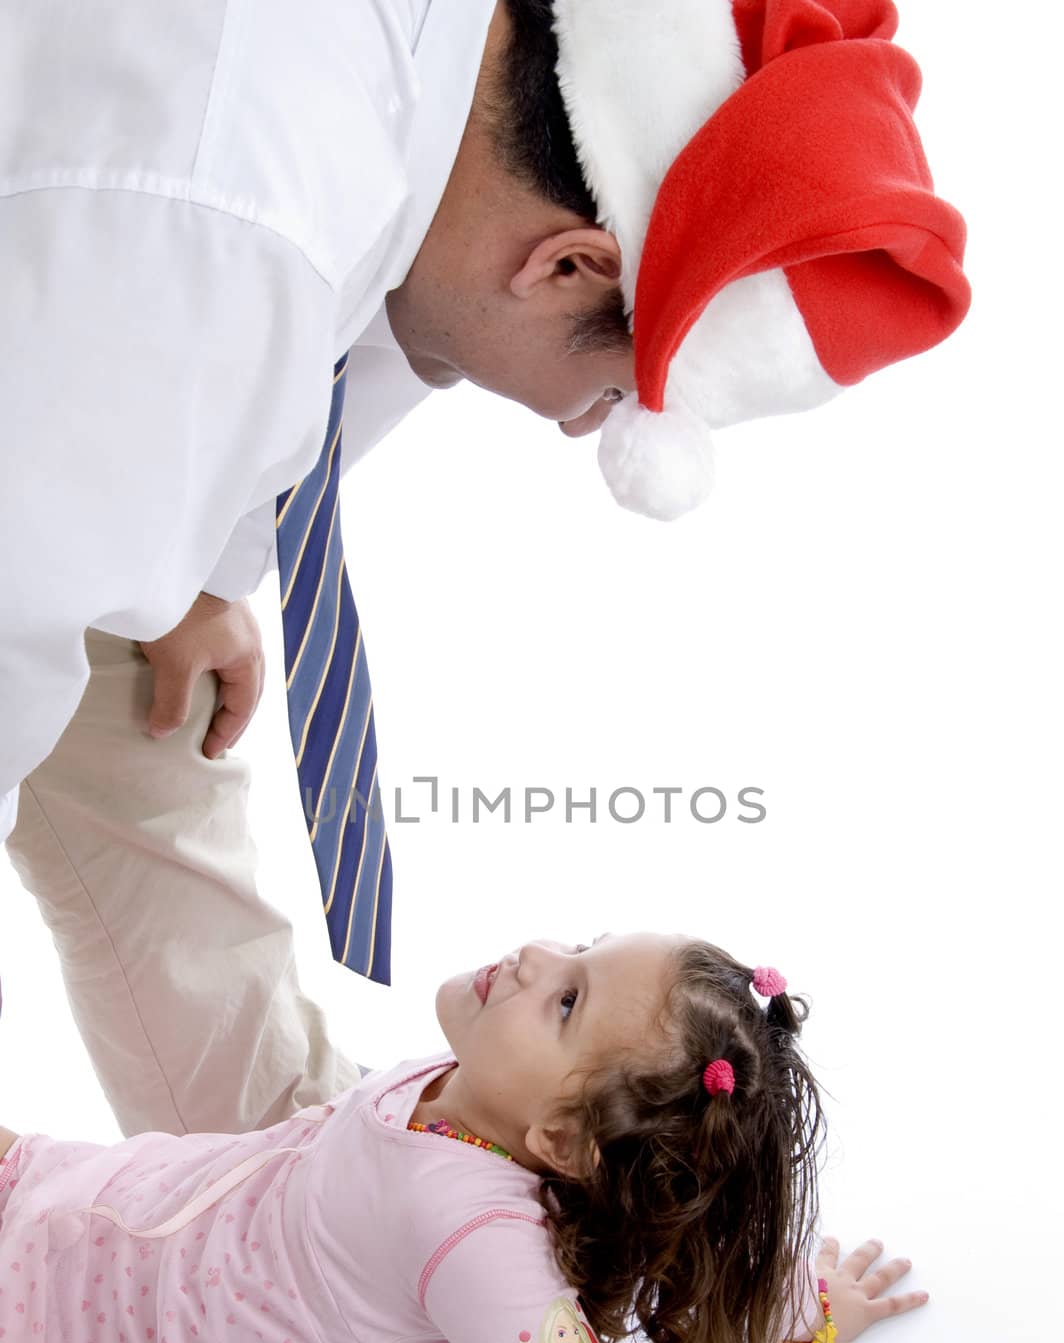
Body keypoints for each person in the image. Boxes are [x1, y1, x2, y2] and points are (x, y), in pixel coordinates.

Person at [1, 0, 972, 985]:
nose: (574, 424)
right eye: (605, 393)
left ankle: (314, 1137)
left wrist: (213, 574)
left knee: (147, 716)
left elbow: (371, 343)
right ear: (568, 264)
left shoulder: (428, 115)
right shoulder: (240, 219)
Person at [0, 916, 927, 1343]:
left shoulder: (480, 1251)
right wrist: (795, 1305)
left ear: (564, 1141)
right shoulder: (483, 1092)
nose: (535, 957)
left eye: (566, 1001)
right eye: (580, 947)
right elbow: (683, 1252)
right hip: (111, 1243)